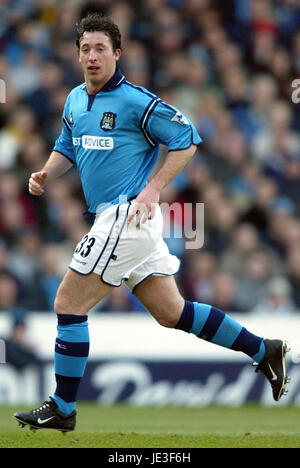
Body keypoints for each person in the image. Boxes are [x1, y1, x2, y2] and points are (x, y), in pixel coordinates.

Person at [14, 13, 290, 434]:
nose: (91, 56)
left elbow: (187, 137)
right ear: (77, 54)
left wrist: (154, 187)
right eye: (85, 49)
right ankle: (263, 349)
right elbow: (66, 145)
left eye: (100, 49)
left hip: (126, 215)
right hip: (121, 220)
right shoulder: (73, 99)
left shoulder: (134, 101)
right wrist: (46, 173)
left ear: (117, 54)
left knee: (67, 304)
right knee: (172, 312)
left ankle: (64, 407)